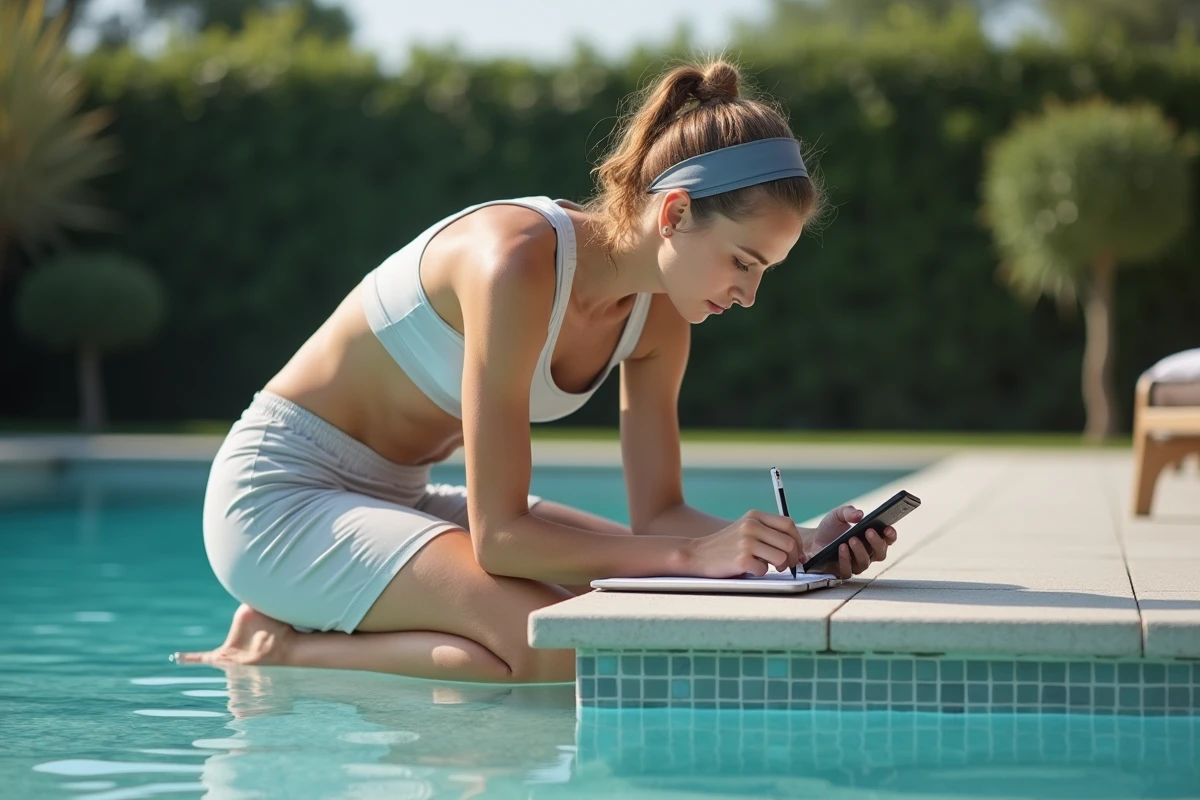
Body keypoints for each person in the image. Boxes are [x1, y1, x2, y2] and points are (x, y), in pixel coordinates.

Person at [177, 59, 899, 684]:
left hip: (396, 496)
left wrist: (797, 549)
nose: (748, 294)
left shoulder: (664, 317)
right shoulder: (516, 262)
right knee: (556, 649)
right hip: (280, 497)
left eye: (764, 272)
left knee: (608, 616)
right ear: (674, 213)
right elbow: (502, 537)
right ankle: (280, 647)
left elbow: (658, 515)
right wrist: (693, 555)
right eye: (744, 261)